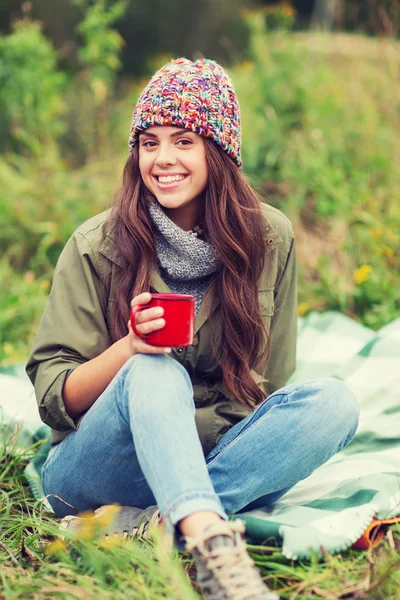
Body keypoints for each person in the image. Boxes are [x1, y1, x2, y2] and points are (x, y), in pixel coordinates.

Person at [26, 57, 359, 600]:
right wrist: (129, 349)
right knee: (154, 371)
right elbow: (52, 397)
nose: (163, 159)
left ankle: (161, 521)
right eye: (149, 141)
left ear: (219, 151)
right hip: (98, 470)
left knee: (335, 402)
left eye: (183, 140)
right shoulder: (96, 246)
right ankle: (212, 546)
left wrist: (195, 445)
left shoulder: (269, 238)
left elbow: (268, 385)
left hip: (210, 457)